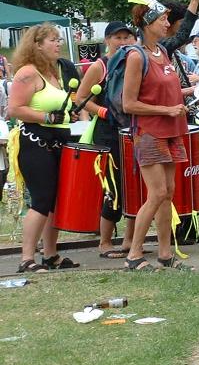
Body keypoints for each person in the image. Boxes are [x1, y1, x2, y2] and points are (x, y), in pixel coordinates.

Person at [121, 5, 190, 271]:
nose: (166, 23)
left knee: (168, 193)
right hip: (149, 132)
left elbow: (164, 91)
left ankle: (165, 253)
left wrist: (182, 99)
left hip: (172, 130)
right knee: (158, 192)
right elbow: (129, 104)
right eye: (162, 20)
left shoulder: (163, 53)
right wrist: (166, 109)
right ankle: (134, 254)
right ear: (147, 24)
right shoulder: (137, 56)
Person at [9, 24, 83, 272]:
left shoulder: (55, 72)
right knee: (41, 200)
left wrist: (65, 117)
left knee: (54, 201)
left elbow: (57, 109)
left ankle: (50, 255)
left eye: (58, 39)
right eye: (52, 40)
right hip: (34, 142)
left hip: (58, 140)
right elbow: (14, 109)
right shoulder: (27, 73)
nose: (58, 43)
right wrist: (47, 117)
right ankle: (26, 259)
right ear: (37, 45)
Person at [76, 21, 138, 258]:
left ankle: (130, 240)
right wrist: (103, 112)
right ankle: (104, 242)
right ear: (107, 40)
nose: (123, 42)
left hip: (133, 130)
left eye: (127, 37)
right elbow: (80, 98)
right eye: (117, 37)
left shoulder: (137, 61)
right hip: (108, 132)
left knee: (136, 186)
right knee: (114, 187)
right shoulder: (99, 66)